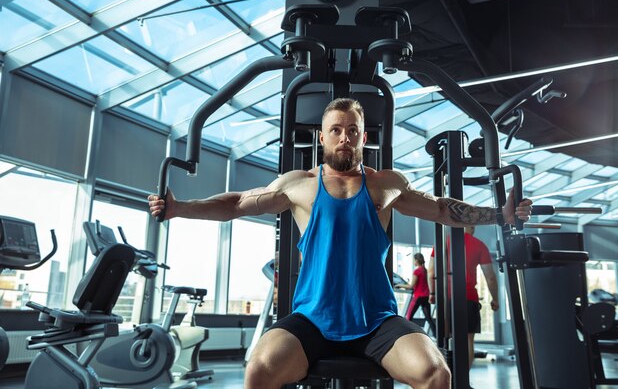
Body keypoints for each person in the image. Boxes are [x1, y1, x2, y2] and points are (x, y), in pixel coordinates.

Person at [148, 98, 532, 389]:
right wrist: (179, 207)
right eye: (336, 129)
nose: (344, 137)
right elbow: (235, 204)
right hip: (313, 320)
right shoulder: (298, 184)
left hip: (377, 322)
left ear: (364, 137)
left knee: (436, 373)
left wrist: (501, 214)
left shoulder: (386, 184)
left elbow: (442, 209)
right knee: (259, 368)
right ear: (322, 136)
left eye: (352, 130)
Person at [427, 226, 500, 369]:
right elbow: (490, 277)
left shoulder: (442, 243)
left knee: (443, 339)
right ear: (472, 227)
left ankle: (445, 380)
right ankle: (463, 381)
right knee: (468, 341)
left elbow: (431, 272)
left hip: (446, 299)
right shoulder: (479, 245)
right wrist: (495, 299)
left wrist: (433, 293)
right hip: (468, 298)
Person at [395, 253, 436, 335]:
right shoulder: (426, 271)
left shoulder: (417, 271)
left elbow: (411, 286)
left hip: (418, 297)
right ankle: (438, 337)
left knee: (408, 317)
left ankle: (406, 336)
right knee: (428, 318)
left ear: (416, 260)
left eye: (414, 260)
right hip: (426, 297)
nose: (413, 261)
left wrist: (399, 285)